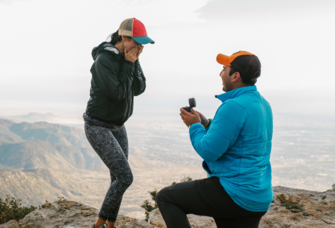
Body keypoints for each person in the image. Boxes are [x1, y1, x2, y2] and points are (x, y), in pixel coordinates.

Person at [156, 51, 273, 228]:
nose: (220, 73)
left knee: (166, 198)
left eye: (224, 69)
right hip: (257, 196)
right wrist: (206, 123)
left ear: (235, 76)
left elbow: (208, 151)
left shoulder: (234, 106)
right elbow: (239, 137)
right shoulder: (262, 103)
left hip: (234, 193)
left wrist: (194, 126)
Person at [83, 18, 154, 228]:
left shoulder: (128, 58)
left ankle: (110, 224)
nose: (140, 47)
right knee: (125, 177)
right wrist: (129, 64)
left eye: (143, 43)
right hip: (98, 126)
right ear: (124, 37)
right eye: (137, 42)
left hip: (118, 126)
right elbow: (119, 94)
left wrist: (134, 62)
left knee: (117, 178)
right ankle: (98, 226)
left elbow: (139, 88)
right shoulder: (104, 60)